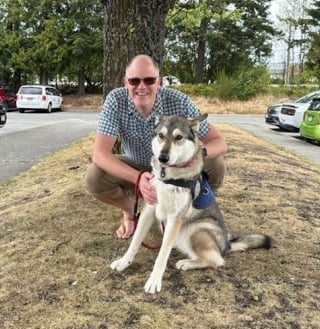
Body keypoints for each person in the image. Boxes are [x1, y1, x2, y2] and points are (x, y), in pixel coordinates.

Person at [85, 54, 227, 239]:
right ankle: (131, 212)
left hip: (174, 167)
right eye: (134, 81)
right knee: (94, 177)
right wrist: (138, 178)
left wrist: (197, 154)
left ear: (159, 81)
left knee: (216, 165)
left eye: (149, 80)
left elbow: (219, 142)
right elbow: (100, 154)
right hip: (135, 163)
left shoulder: (179, 101)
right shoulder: (115, 100)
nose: (141, 87)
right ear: (125, 82)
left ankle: (186, 209)